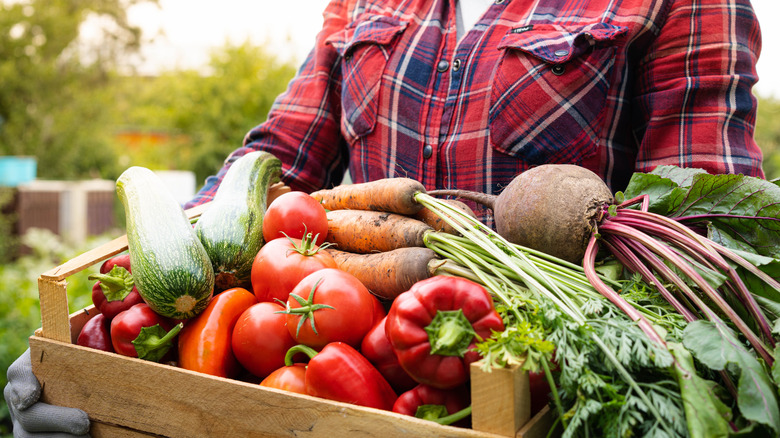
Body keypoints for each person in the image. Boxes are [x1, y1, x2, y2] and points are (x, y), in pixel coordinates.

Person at [4, 0, 765, 435]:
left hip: (533, 380)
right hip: (342, 374)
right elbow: (277, 160)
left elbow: (699, 216)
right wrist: (90, 338)